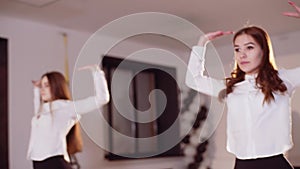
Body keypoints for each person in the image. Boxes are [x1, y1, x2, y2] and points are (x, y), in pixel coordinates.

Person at [185, 1, 300, 169]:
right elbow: (193, 79)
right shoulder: (231, 88)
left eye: (250, 47)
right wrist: (202, 43)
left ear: (264, 50)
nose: (242, 55)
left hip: (275, 164)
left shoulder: (283, 80)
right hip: (241, 164)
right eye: (237, 49)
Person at [27, 65, 110, 169]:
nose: (42, 90)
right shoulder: (43, 110)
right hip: (37, 162)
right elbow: (38, 113)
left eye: (47, 85)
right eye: (41, 86)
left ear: (56, 86)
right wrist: (36, 89)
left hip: (54, 161)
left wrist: (97, 73)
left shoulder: (66, 107)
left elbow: (102, 99)